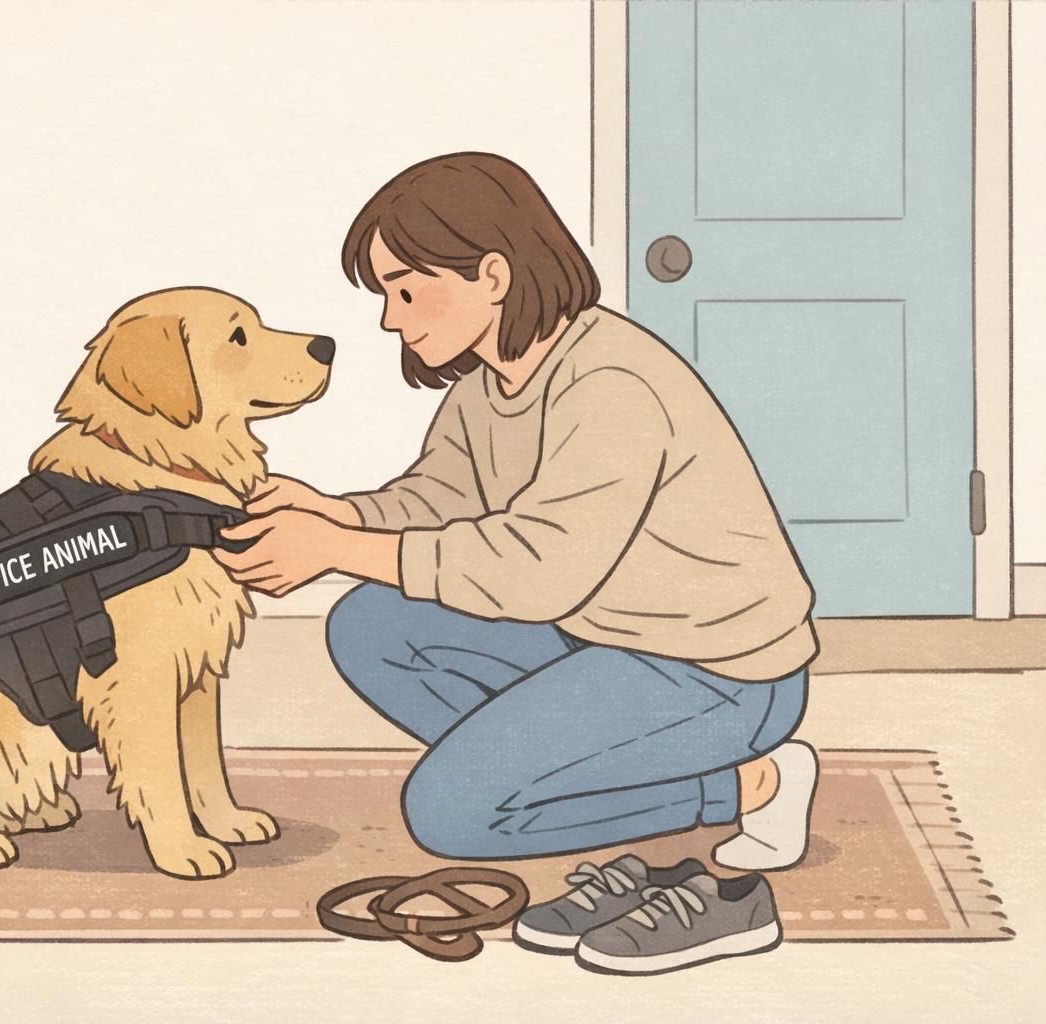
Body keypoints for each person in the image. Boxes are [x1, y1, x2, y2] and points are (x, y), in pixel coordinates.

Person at [212, 152, 819, 870]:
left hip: (720, 677)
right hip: (600, 640)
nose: (387, 319)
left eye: (405, 292)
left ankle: (750, 785)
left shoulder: (608, 383)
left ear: (492, 276)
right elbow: (437, 500)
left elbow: (538, 572)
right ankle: (551, 781)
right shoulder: (485, 388)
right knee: (369, 624)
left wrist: (335, 549)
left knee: (449, 814)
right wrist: (340, 515)